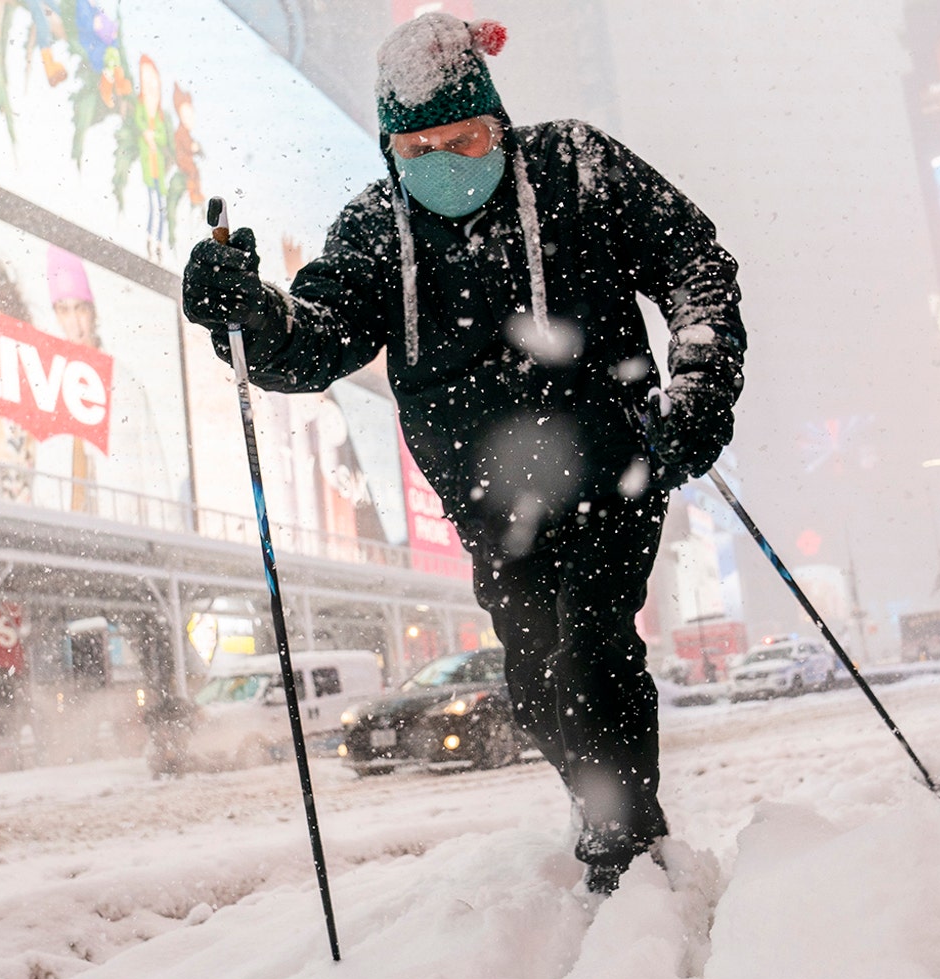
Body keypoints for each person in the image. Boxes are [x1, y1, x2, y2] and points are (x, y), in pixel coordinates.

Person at [182, 13, 744, 893]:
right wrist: (251, 315)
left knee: (594, 650)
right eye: (419, 147)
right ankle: (599, 797)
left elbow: (692, 263)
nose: (446, 160)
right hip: (491, 503)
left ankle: (624, 847)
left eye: (468, 137)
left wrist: (701, 386)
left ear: (500, 122)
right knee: (536, 688)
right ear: (389, 151)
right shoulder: (377, 230)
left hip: (615, 469)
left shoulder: (577, 168)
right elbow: (317, 338)